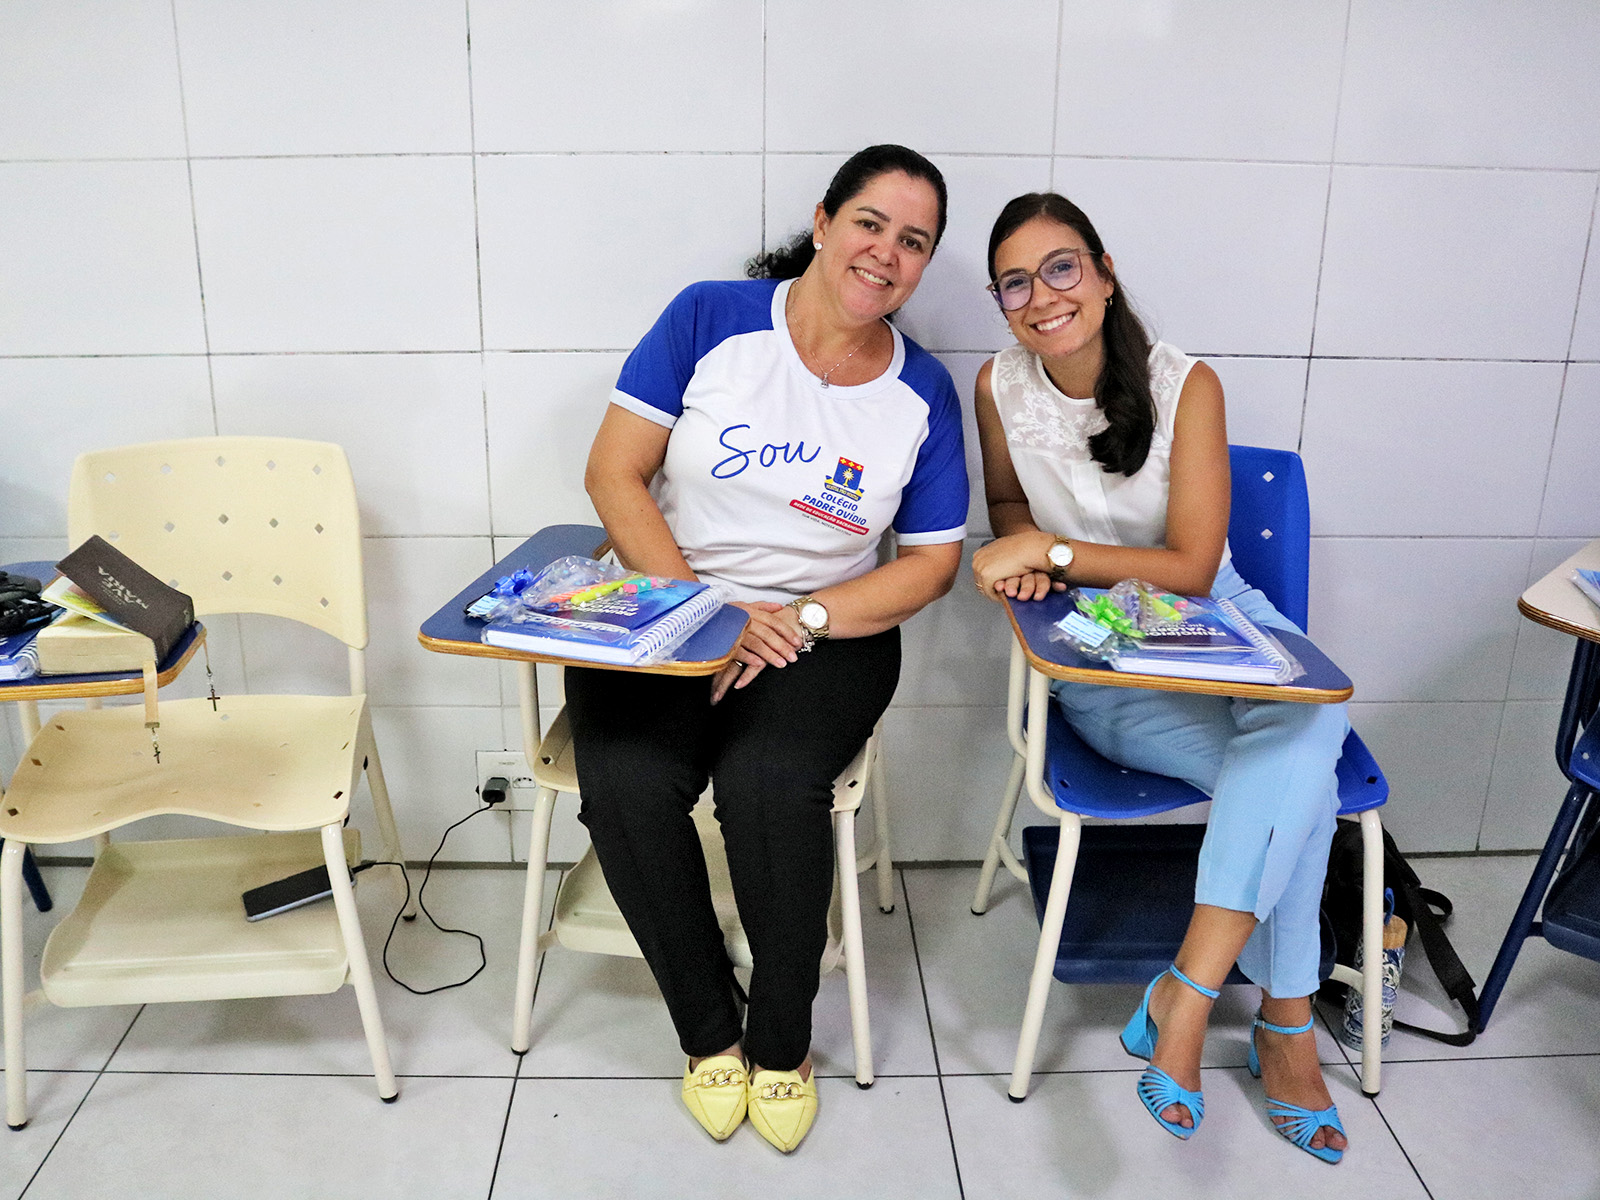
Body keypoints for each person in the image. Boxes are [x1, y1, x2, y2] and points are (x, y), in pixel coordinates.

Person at [569, 145, 967, 1153]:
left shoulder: (921, 392)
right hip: (669, 598)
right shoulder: (712, 318)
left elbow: (930, 565)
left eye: (913, 241)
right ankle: (709, 1030)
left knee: (769, 785)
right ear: (825, 221)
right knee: (624, 781)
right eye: (870, 223)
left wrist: (804, 617)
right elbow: (614, 474)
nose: (885, 253)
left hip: (825, 630)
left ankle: (782, 1042)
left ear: (923, 265)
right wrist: (710, 611)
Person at [970, 192, 1350, 1164]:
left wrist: (1050, 550)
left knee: (1310, 723)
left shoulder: (1187, 384)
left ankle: (1185, 992)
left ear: (1103, 274)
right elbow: (1008, 504)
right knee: (1300, 790)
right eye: (1014, 282)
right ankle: (1284, 1026)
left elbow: (1189, 566)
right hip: (1100, 652)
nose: (1041, 296)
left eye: (1061, 267)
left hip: (1222, 620)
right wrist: (1025, 550)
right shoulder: (997, 386)